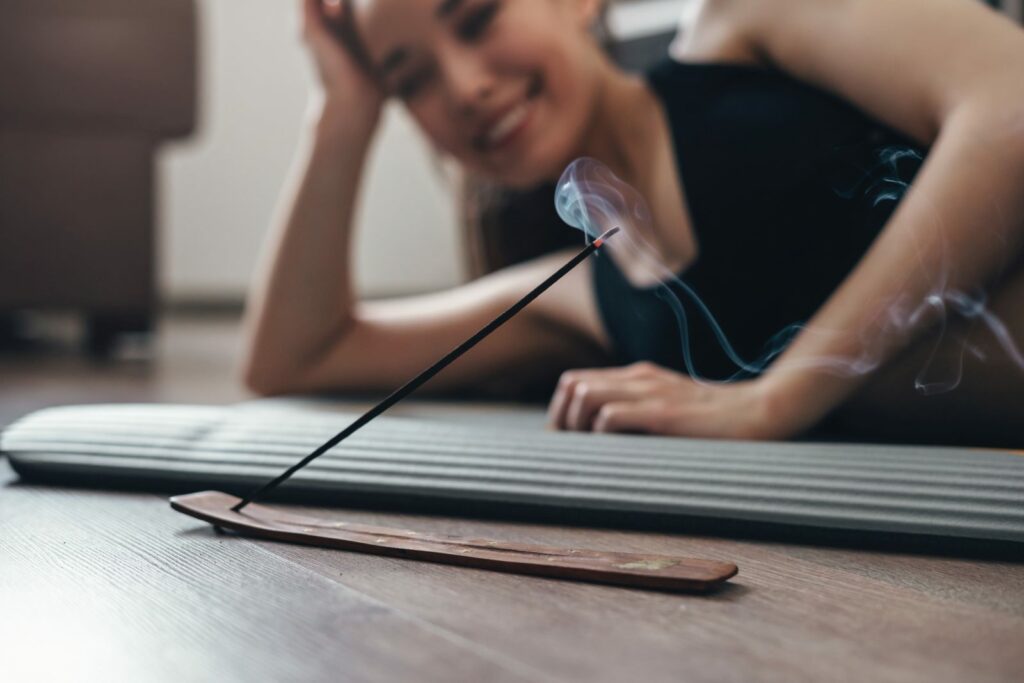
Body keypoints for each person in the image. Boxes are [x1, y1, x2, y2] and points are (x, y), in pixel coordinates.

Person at [242, 0, 1024, 446]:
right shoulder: (588, 295)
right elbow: (295, 354)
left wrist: (778, 396)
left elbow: (1010, 105)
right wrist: (342, 112)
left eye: (477, 16)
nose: (466, 86)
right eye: (408, 81)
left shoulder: (748, 22)